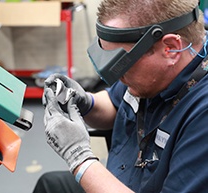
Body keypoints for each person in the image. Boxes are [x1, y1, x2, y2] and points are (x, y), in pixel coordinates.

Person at [33, 0, 208, 192]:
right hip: (124, 176)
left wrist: (78, 157)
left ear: (171, 48)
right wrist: (84, 102)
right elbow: (115, 104)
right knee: (50, 186)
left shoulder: (202, 113)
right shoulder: (149, 73)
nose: (118, 76)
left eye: (122, 63)